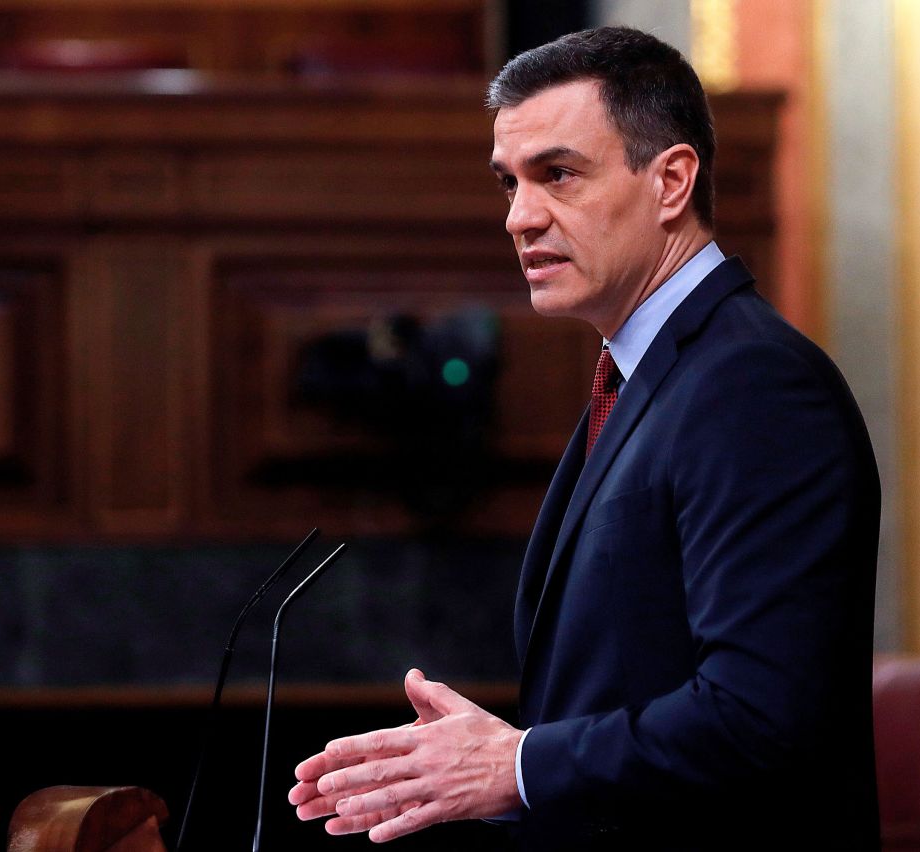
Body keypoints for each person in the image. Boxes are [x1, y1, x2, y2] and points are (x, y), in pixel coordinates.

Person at [288, 26, 880, 851]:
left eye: (558, 175)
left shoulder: (755, 385)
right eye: (509, 183)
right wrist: (512, 770)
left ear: (671, 180)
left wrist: (521, 765)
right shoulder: (652, 376)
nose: (520, 217)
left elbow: (761, 714)